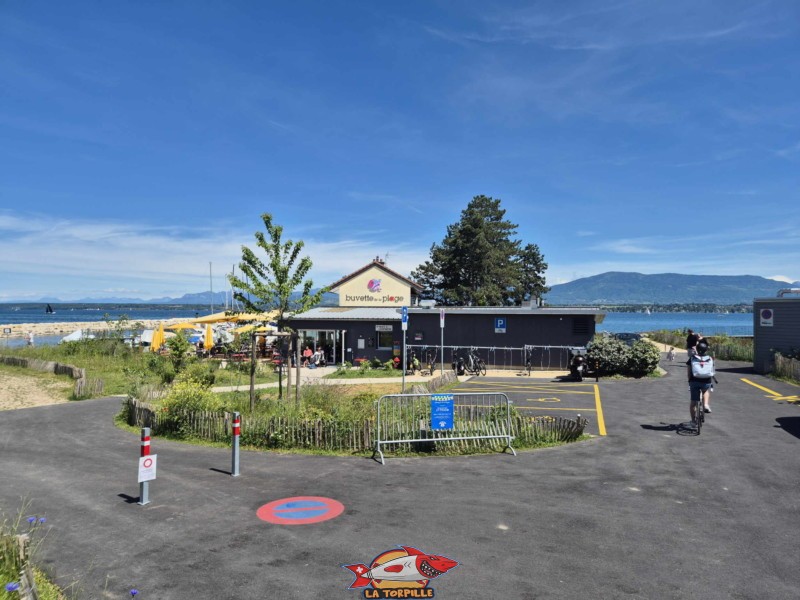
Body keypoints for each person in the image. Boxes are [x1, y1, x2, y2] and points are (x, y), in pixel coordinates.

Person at [687, 340, 714, 420]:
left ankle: (693, 421)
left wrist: (689, 381)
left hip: (694, 381)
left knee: (693, 403)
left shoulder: (692, 358)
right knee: (705, 391)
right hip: (706, 380)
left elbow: (689, 372)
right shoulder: (710, 358)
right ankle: (705, 405)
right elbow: (712, 370)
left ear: (697, 349)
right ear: (706, 350)